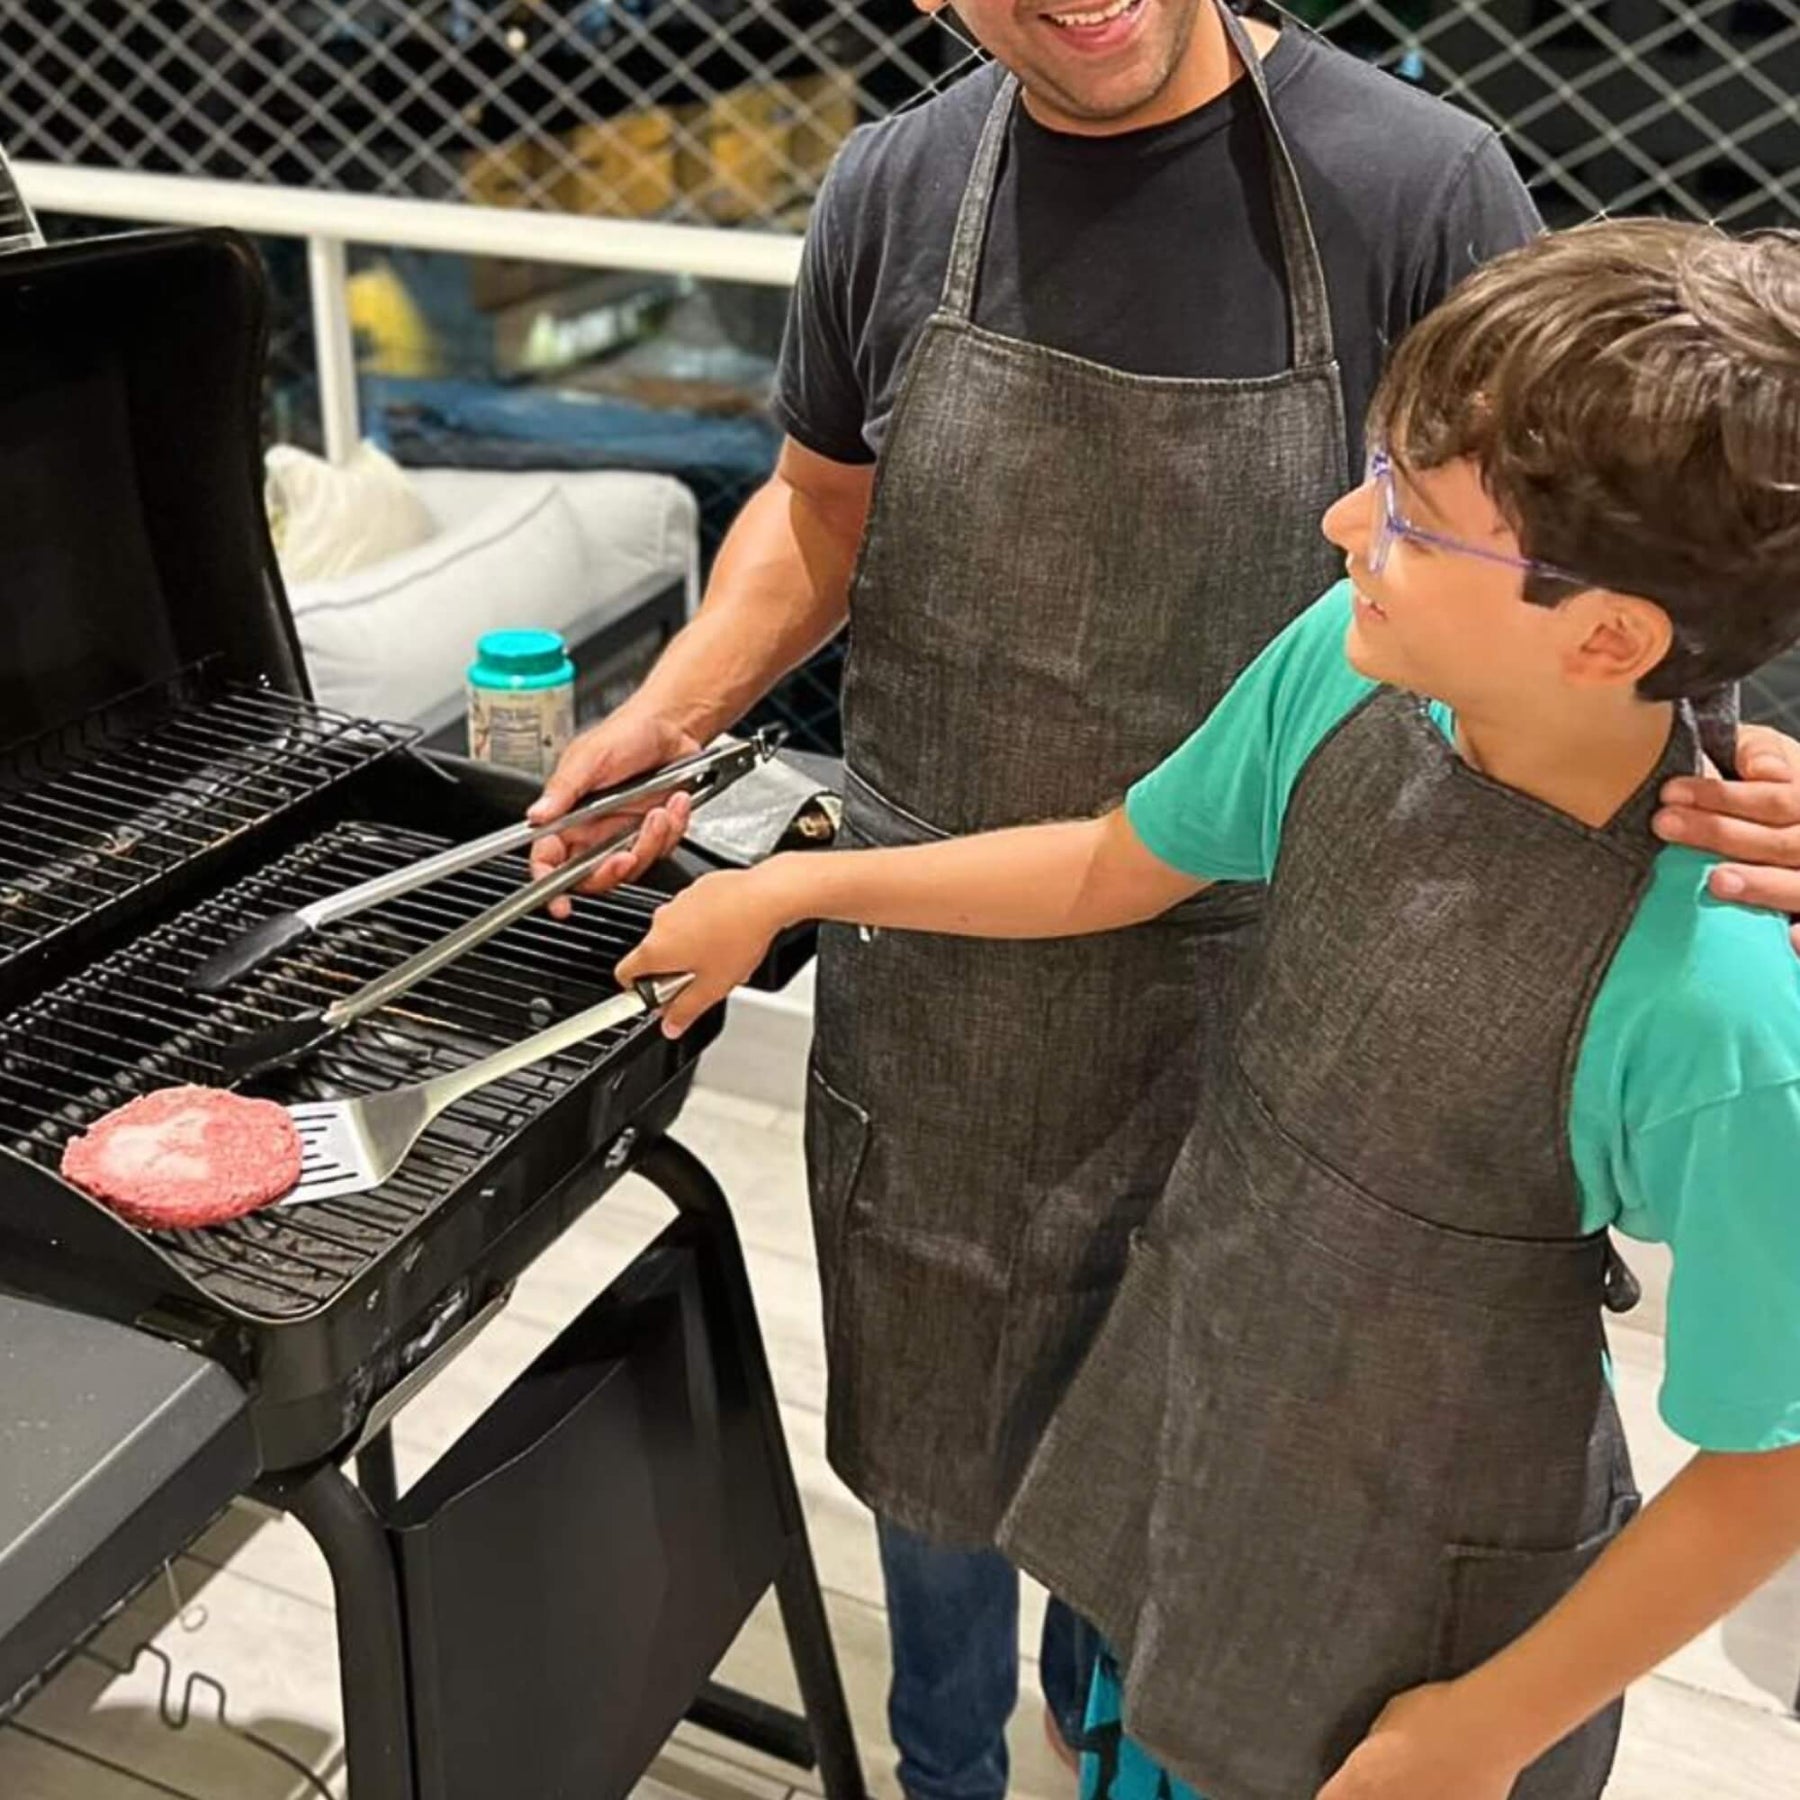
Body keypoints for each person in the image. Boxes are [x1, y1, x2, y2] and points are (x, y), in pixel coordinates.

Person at [534, 2, 1800, 1789]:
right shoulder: (899, 194)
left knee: (1168, 1545)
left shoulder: (1419, 190)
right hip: (968, 1004)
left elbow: (1646, 535)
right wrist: (707, 771)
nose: (1351, 530)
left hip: (1277, 1061)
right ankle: (951, 1757)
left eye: (1396, 509)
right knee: (962, 1453)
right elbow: (859, 557)